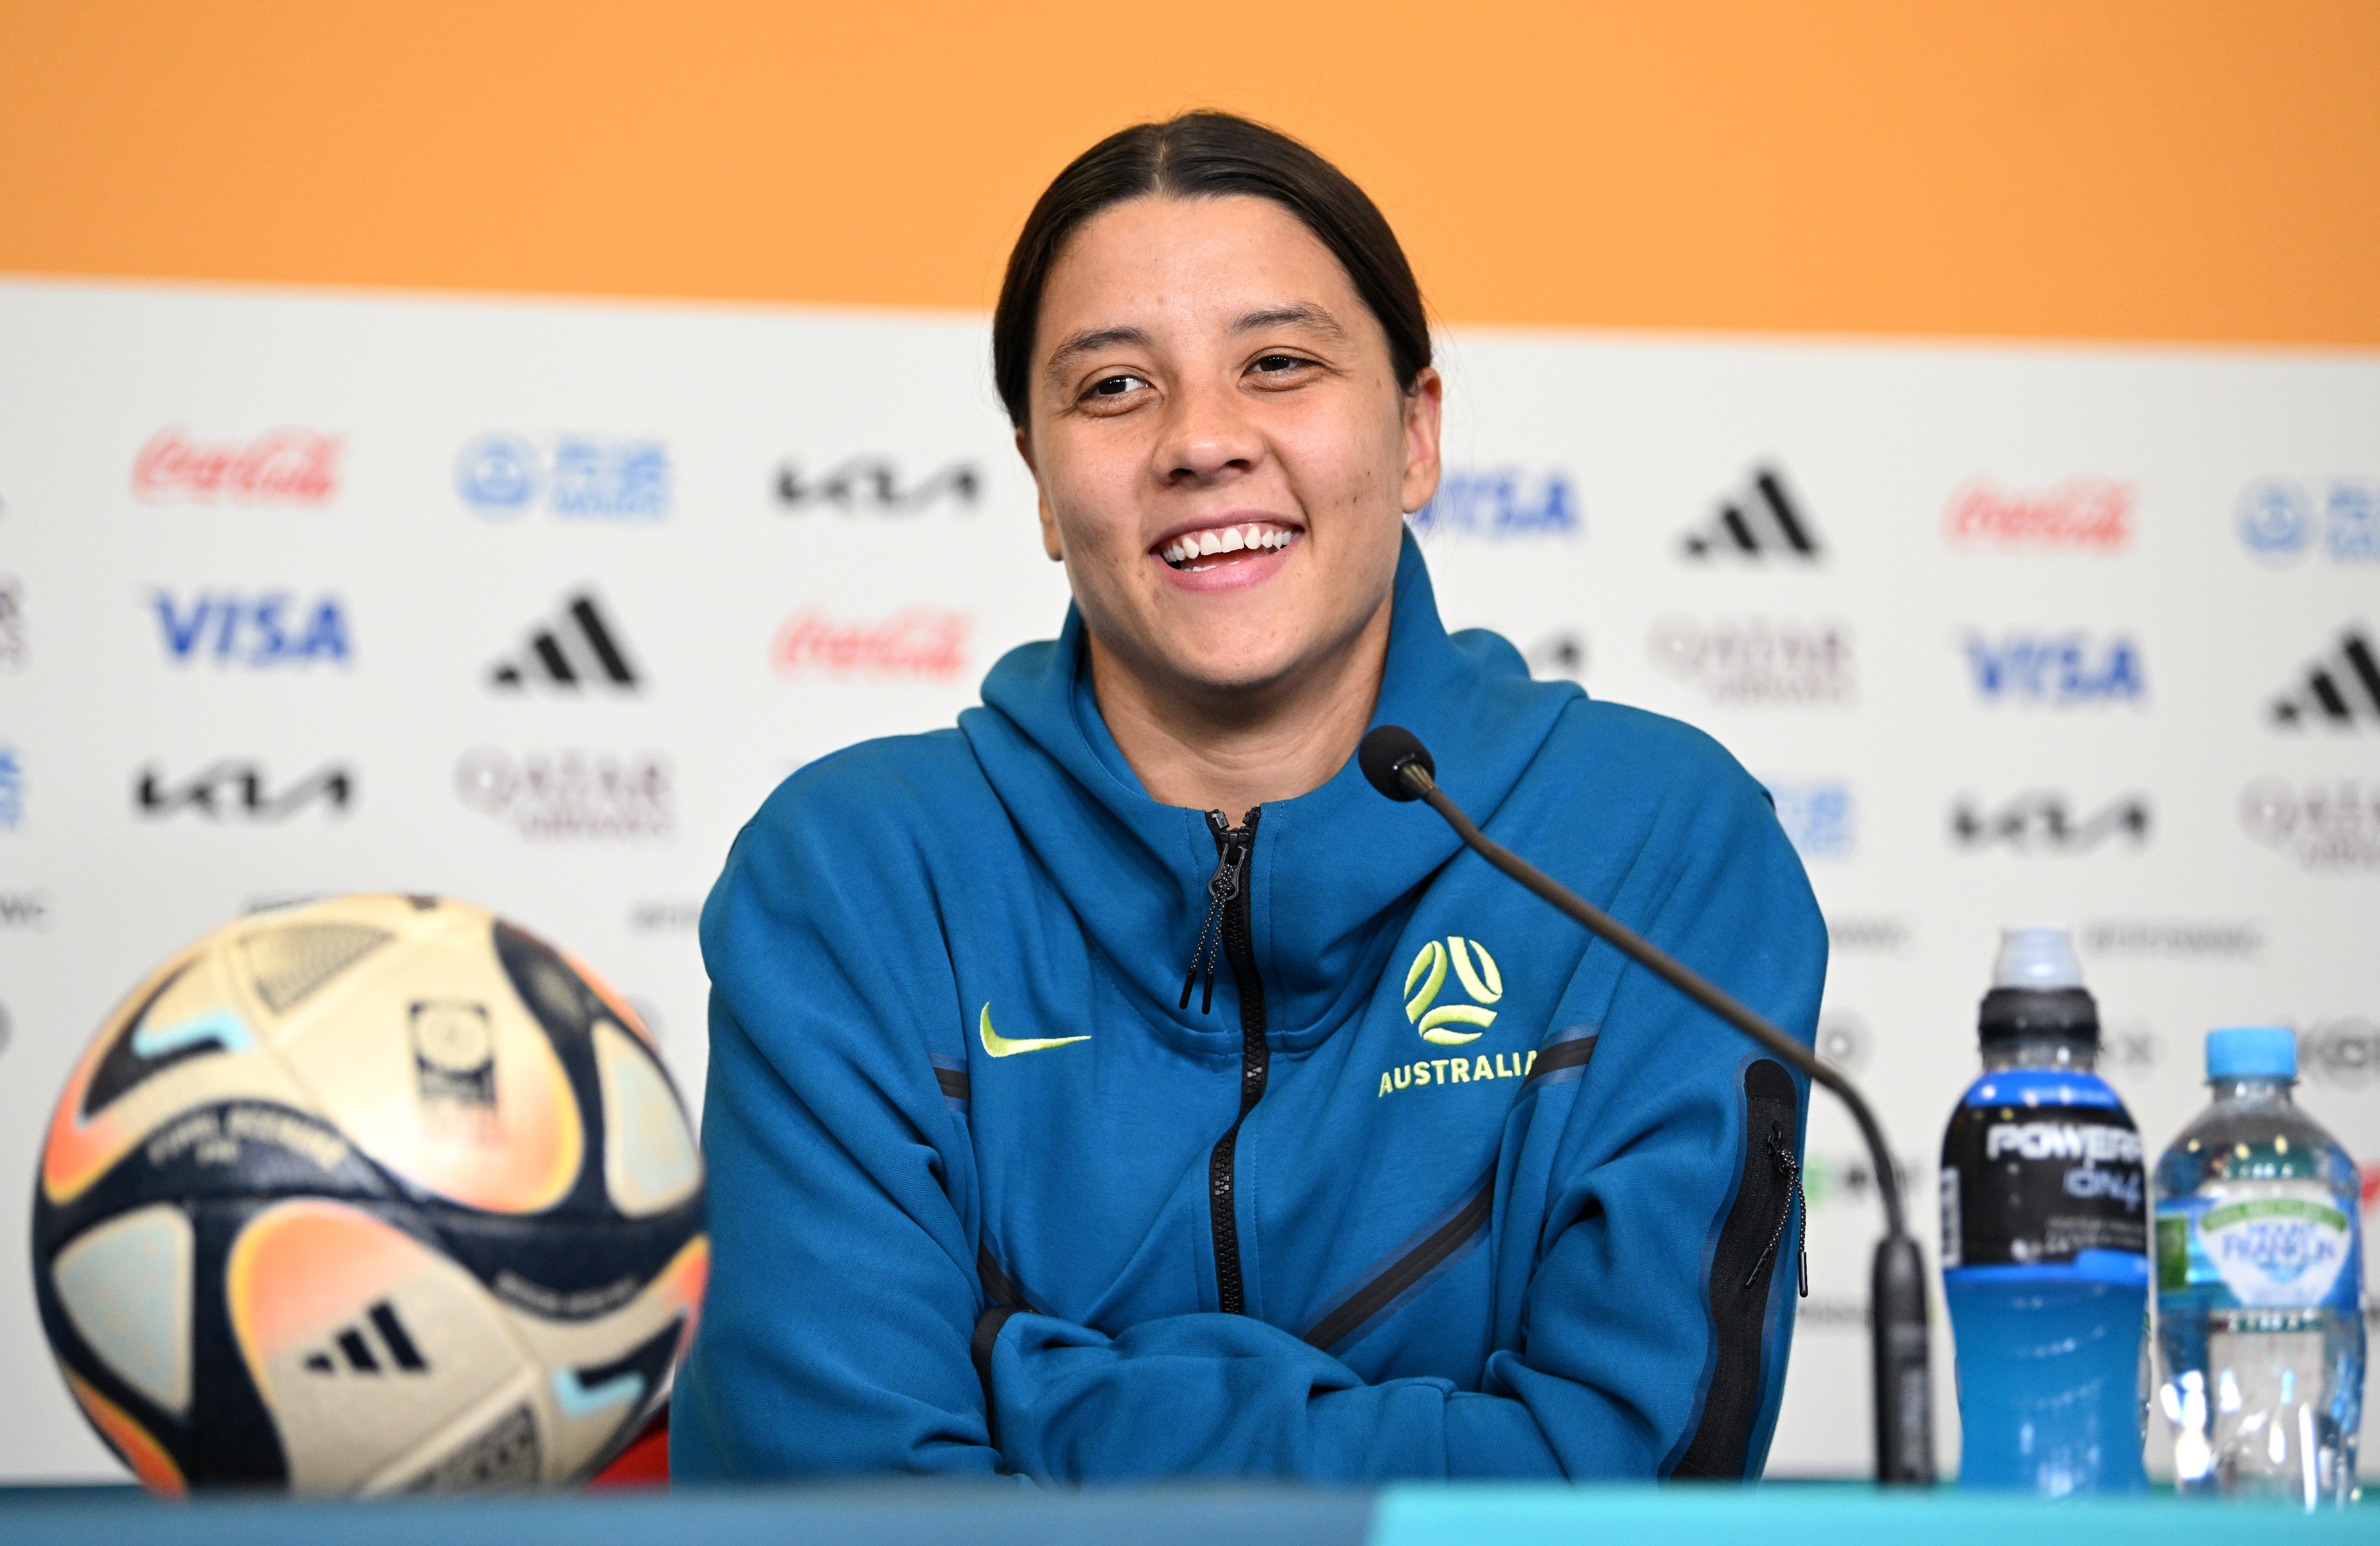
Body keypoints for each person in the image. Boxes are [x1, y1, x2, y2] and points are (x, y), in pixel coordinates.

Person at [671, 111, 1825, 1482]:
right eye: (1111, 389)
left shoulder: (1652, 843)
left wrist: (1039, 1396)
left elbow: (1622, 1481)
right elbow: (834, 1498)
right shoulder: (854, 878)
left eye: (1278, 365)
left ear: (1414, 434)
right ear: (1041, 483)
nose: (1201, 441)